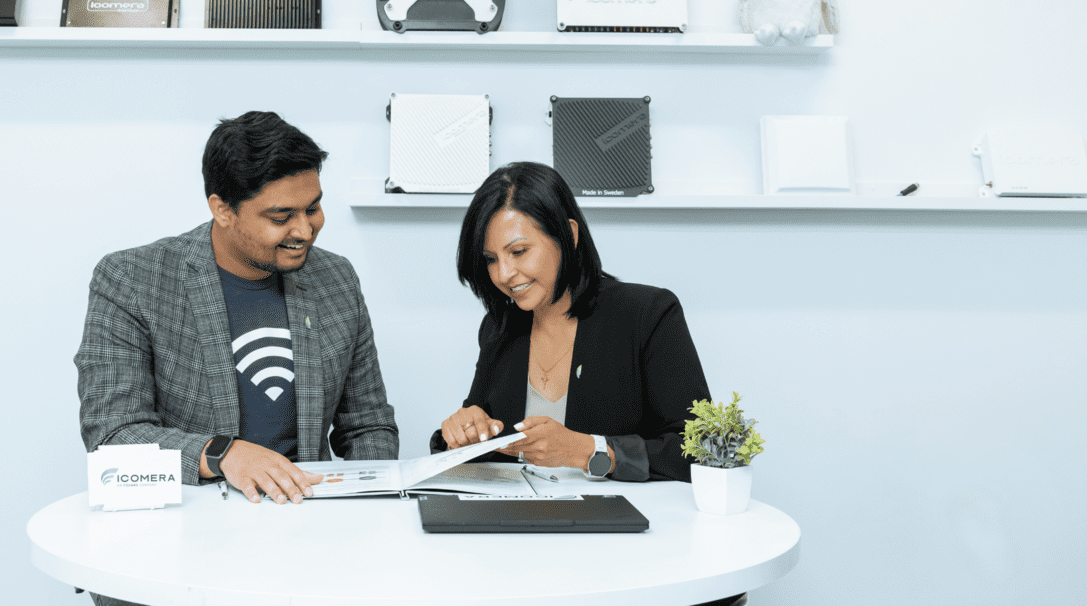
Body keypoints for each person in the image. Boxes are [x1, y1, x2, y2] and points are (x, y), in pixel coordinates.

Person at [75, 112, 399, 605]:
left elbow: (368, 425)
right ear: (222, 209)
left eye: (313, 208)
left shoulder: (336, 279)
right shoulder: (133, 279)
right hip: (178, 544)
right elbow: (114, 434)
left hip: (307, 541)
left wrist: (363, 515)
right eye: (280, 216)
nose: (306, 230)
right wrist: (224, 454)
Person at [434, 161, 713, 483]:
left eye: (519, 251)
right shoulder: (499, 328)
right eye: (490, 259)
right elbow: (490, 448)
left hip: (624, 526)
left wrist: (590, 451)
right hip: (515, 524)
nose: (503, 275)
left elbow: (700, 450)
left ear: (568, 234)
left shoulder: (649, 314)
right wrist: (462, 432)